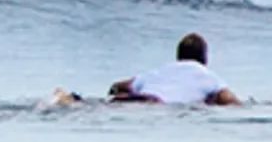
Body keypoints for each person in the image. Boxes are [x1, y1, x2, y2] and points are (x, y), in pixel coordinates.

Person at [60, 32, 245, 106]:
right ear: (205, 58)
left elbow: (118, 86)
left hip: (136, 97)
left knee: (100, 106)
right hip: (155, 105)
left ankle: (69, 98)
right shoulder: (208, 76)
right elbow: (228, 99)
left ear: (178, 56)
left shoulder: (160, 70)